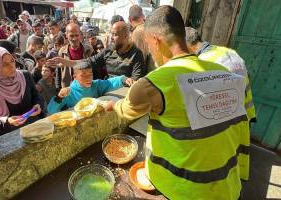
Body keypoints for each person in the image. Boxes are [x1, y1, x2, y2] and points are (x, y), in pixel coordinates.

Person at [104, 6, 250, 200]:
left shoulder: (153, 83)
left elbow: (124, 110)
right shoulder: (223, 72)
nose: (151, 53)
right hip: (228, 186)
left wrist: (111, 105)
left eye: (148, 46)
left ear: (155, 41)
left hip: (186, 191)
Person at [185, 27, 256, 127]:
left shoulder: (202, 63)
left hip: (229, 123)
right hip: (245, 114)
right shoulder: (229, 52)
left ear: (187, 46)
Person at [48, 21, 146, 84]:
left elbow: (135, 83)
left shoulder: (136, 54)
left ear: (125, 36)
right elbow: (88, 62)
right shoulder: (109, 50)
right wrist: (65, 62)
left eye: (114, 34)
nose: (111, 38)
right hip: (107, 92)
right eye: (111, 33)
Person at [0, 47, 43, 136]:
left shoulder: (25, 76)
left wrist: (37, 104)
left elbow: (36, 96)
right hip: (10, 136)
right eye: (5, 64)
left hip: (35, 127)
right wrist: (7, 120)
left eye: (12, 61)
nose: (12, 66)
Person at [47, 61, 126, 114]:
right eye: (83, 75)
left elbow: (110, 83)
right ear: (75, 77)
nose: (88, 78)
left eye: (90, 74)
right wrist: (59, 97)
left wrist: (123, 79)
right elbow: (51, 110)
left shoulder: (96, 84)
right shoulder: (68, 92)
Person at [55, 23, 93, 88]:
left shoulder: (88, 50)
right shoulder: (62, 51)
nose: (74, 39)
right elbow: (58, 71)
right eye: (71, 36)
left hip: (85, 86)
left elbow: (95, 69)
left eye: (76, 35)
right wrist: (58, 87)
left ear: (80, 35)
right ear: (66, 35)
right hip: (68, 87)